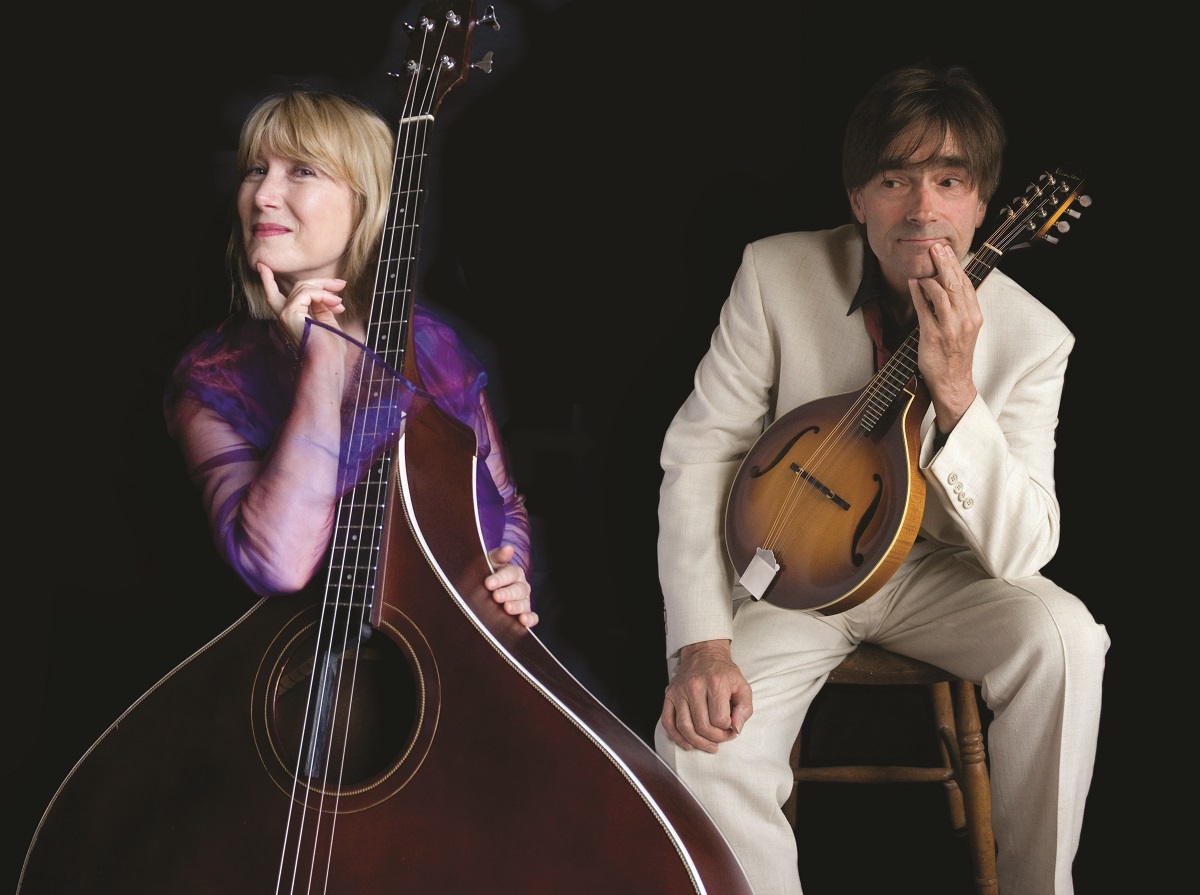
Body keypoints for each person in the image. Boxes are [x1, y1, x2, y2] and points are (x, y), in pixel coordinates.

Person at [654, 62, 1109, 894]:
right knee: (697, 743)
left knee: (1068, 639)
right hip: (803, 575)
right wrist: (701, 645)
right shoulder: (774, 274)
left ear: (984, 205)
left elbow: (1024, 549)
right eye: (895, 179)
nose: (923, 207)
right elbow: (701, 451)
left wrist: (958, 394)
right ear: (858, 197)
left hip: (945, 576)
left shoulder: (1036, 338)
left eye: (949, 180)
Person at [164, 89, 536, 628]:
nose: (264, 194)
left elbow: (505, 503)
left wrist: (510, 570)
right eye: (254, 170)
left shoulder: (431, 347)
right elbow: (279, 564)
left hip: (441, 656)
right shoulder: (215, 376)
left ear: (367, 200)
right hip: (302, 678)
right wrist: (323, 361)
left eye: (303, 171)